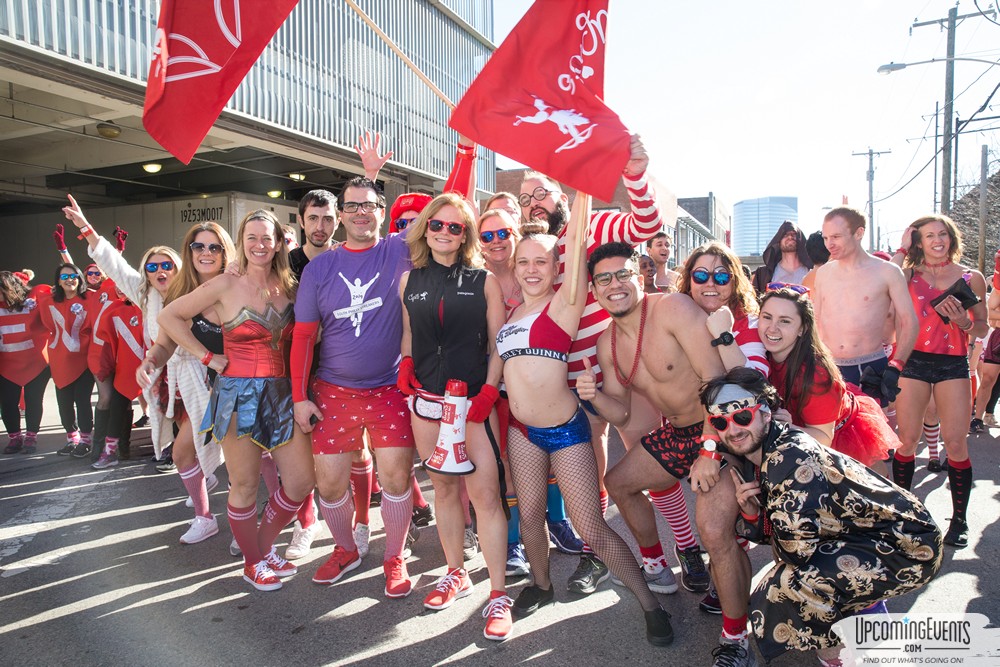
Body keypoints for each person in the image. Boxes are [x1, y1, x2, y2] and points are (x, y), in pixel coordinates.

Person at [500, 218, 674, 645]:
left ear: (557, 266)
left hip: (565, 430)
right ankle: (540, 586)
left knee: (591, 526)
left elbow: (576, 240)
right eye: (523, 261)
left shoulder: (564, 303)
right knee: (529, 515)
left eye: (541, 261)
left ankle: (650, 605)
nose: (531, 269)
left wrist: (579, 188)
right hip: (521, 430)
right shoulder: (511, 311)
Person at [576, 243, 750, 665]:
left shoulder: (673, 308)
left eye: (622, 274)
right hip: (676, 432)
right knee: (618, 482)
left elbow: (717, 382)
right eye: (604, 279)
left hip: (724, 428)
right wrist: (594, 395)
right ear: (594, 290)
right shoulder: (606, 344)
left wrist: (710, 450)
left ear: (640, 273)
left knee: (713, 531)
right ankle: (656, 566)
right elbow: (621, 411)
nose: (614, 285)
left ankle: (735, 638)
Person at [703, 367, 942, 666]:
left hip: (909, 546)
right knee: (796, 575)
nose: (733, 430)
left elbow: (796, 552)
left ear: (765, 413)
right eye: (720, 422)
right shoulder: (766, 449)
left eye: (742, 417)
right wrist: (753, 516)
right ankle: (861, 626)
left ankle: (842, 654)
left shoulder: (787, 458)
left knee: (787, 585)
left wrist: (760, 524)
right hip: (875, 535)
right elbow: (791, 530)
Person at [517, 133, 669, 594]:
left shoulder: (593, 228)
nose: (533, 203)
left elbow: (645, 224)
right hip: (573, 381)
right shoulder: (534, 252)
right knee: (596, 473)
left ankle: (683, 554)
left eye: (541, 192)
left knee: (656, 466)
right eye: (525, 199)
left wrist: (636, 173)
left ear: (562, 197)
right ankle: (598, 555)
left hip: (621, 368)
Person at [158, 209, 315, 591]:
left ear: (279, 243)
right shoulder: (226, 285)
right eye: (252, 238)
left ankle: (261, 548)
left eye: (267, 238)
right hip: (237, 395)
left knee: (300, 481)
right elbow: (169, 316)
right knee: (243, 484)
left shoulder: (291, 285)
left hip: (283, 394)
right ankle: (252, 562)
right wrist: (206, 356)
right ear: (242, 243)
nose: (260, 245)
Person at [290, 176, 419, 598]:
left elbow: (449, 202)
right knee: (328, 484)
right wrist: (299, 397)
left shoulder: (399, 249)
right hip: (333, 390)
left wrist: (469, 151)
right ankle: (345, 549)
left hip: (390, 388)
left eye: (370, 205)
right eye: (352, 206)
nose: (361, 212)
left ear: (383, 212)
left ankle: (394, 555)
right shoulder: (319, 268)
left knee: (397, 479)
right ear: (341, 214)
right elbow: (304, 337)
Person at [398, 192, 513, 641]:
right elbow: (409, 335)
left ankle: (498, 593)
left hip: (473, 405)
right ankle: (454, 572)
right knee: (444, 491)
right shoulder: (409, 281)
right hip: (427, 403)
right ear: (426, 228)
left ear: (465, 235)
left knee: (484, 496)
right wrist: (407, 363)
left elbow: (498, 341)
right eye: (437, 225)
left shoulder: (484, 280)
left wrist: (489, 389)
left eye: (455, 227)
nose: (445, 232)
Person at [889, 214, 987, 549]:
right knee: (907, 441)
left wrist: (965, 322)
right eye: (929, 235)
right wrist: (902, 248)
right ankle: (904, 516)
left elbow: (983, 328)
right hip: (912, 362)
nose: (937, 240)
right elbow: (882, 276)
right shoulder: (905, 275)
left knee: (956, 443)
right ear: (919, 241)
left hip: (953, 365)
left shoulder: (971, 277)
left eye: (942, 234)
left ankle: (959, 521)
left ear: (951, 237)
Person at [135, 221, 236, 544]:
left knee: (250, 466)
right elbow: (165, 345)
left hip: (245, 385)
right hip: (202, 387)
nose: (206, 253)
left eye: (214, 247)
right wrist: (150, 362)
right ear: (189, 252)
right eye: (198, 247)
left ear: (225, 251)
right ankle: (205, 518)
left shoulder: (239, 282)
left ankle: (267, 527)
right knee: (182, 453)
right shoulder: (179, 294)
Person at [63, 194, 182, 469]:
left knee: (196, 431)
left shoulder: (194, 292)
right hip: (160, 367)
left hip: (194, 368)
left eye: (167, 265)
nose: (160, 270)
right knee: (167, 416)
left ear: (178, 268)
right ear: (146, 273)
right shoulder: (144, 294)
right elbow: (113, 265)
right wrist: (85, 227)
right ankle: (170, 453)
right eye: (153, 267)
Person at [758, 288, 895, 470]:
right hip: (801, 441)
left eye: (785, 321)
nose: (772, 328)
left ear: (803, 329)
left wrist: (787, 427)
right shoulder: (758, 353)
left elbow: (823, 437)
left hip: (839, 442)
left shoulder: (816, 374)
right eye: (767, 317)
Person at [814, 207, 917, 406]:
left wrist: (896, 366)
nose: (829, 244)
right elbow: (817, 320)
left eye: (836, 236)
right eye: (826, 238)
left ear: (859, 233)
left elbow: (909, 321)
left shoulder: (888, 271)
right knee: (828, 434)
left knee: (870, 434)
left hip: (869, 367)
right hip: (828, 366)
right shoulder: (823, 273)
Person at [38, 263, 94, 456]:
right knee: (64, 402)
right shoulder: (49, 301)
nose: (69, 280)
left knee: (83, 401)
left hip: (85, 360)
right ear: (58, 282)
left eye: (73, 276)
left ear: (80, 278)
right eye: (64, 277)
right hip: (60, 360)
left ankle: (86, 441)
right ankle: (72, 439)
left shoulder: (91, 298)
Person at [0, 271, 51, 455]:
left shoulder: (32, 301)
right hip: (6, 366)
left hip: (36, 363)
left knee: (33, 400)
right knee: (7, 403)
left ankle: (31, 436)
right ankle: (14, 437)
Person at [750, 221, 812, 294]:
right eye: (785, 235)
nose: (790, 237)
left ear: (800, 239)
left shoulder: (811, 272)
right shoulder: (763, 274)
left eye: (794, 234)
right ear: (778, 241)